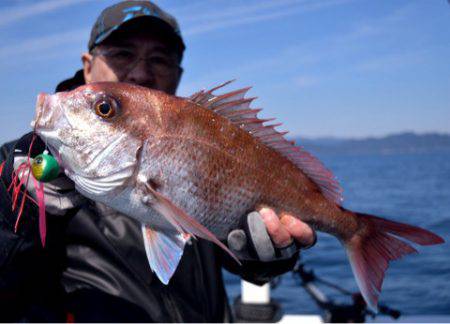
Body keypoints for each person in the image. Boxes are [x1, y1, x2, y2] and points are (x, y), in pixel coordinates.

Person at [0, 1, 316, 322]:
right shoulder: (13, 165)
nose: (140, 72)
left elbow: (230, 245)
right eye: (122, 54)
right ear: (87, 65)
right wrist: (17, 215)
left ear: (178, 74)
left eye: (159, 59)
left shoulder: (200, 138)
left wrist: (264, 259)